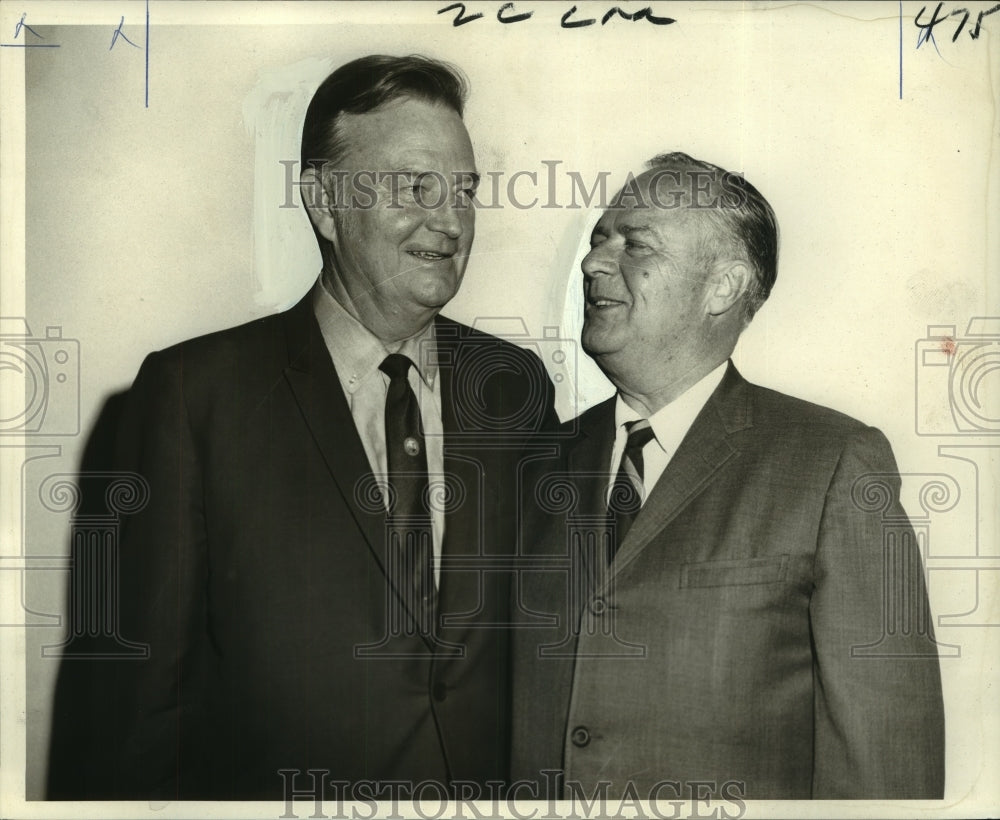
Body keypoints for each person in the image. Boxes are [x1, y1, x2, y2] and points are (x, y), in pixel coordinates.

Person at [47, 54, 556, 800]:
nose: (451, 223)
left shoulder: (514, 387)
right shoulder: (195, 397)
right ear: (324, 202)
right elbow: (136, 705)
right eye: (416, 187)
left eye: (465, 192)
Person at [510, 152, 945, 800]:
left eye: (636, 244)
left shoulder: (832, 464)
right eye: (600, 238)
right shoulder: (531, 462)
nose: (595, 263)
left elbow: (886, 767)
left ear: (723, 286)